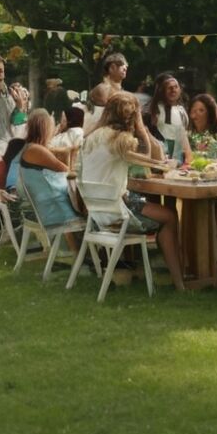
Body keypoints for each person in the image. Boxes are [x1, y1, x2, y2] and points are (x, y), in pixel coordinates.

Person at [80, 91, 185, 290]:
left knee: (150, 205)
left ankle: (169, 273)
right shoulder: (120, 139)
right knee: (170, 216)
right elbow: (146, 154)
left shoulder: (93, 136)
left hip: (98, 214)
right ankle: (179, 281)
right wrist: (141, 127)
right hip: (118, 214)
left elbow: (141, 161)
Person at [14, 109, 83, 248]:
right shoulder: (37, 150)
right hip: (54, 210)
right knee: (91, 212)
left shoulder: (31, 148)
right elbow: (66, 170)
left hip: (46, 206)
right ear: (45, 128)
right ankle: (80, 256)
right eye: (52, 126)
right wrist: (73, 154)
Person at [147, 73, 191, 163]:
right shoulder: (154, 110)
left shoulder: (181, 110)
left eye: (175, 87)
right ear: (162, 91)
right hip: (159, 155)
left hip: (178, 156)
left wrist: (188, 157)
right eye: (169, 88)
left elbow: (184, 135)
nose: (173, 90)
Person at [185, 93, 217, 160]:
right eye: (194, 111)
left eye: (201, 110)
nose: (196, 114)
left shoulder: (216, 137)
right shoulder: (187, 136)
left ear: (209, 115)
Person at [86, 52, 128, 129]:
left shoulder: (119, 90)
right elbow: (107, 117)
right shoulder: (103, 88)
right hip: (102, 128)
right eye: (121, 65)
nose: (125, 68)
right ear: (112, 68)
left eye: (126, 66)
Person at [49, 105, 85, 170]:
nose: (60, 122)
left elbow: (47, 146)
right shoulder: (78, 132)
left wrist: (55, 133)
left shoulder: (67, 136)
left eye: (63, 119)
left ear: (69, 121)